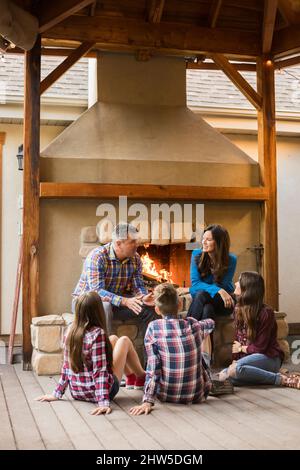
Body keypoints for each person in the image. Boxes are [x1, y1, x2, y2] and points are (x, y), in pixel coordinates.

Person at [35, 291, 146, 414]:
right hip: (99, 393)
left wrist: (56, 393)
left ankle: (131, 377)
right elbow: (100, 371)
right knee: (124, 340)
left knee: (113, 339)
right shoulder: (97, 334)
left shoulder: (69, 332)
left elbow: (66, 366)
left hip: (77, 392)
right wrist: (103, 402)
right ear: (98, 311)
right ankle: (141, 375)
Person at [130, 283, 224, 416]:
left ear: (157, 310)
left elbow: (153, 368)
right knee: (203, 337)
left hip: (165, 395)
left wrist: (147, 401)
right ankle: (211, 379)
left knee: (198, 338)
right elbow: (211, 323)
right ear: (180, 304)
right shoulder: (193, 324)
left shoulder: (153, 328)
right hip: (196, 394)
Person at [72, 223, 158, 335]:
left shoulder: (135, 258)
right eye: (132, 242)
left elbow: (138, 286)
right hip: (87, 303)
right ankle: (105, 348)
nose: (137, 244)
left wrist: (143, 297)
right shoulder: (97, 256)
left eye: (136, 241)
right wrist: (125, 301)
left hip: (115, 302)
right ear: (118, 244)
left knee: (149, 308)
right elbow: (97, 292)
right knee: (105, 307)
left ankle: (151, 349)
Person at [218, 271, 300, 389]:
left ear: (247, 288)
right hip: (249, 360)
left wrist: (241, 349)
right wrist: (235, 360)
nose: (236, 283)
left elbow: (261, 347)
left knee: (234, 371)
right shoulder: (238, 310)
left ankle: (282, 379)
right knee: (223, 376)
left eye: (239, 281)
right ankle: (271, 376)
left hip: (270, 358)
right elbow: (238, 340)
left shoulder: (266, 313)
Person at [180, 224, 237, 321]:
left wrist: (191, 289)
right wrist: (219, 290)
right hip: (205, 299)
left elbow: (220, 285)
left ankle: (187, 331)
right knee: (207, 309)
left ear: (219, 243)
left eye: (208, 240)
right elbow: (196, 283)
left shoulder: (231, 259)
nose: (203, 242)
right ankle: (203, 336)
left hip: (224, 301)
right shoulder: (196, 254)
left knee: (201, 294)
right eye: (203, 239)